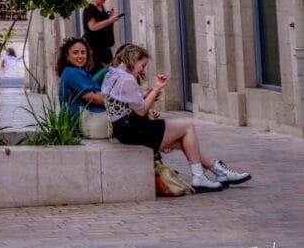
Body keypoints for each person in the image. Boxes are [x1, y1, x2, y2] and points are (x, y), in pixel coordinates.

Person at [101, 43, 250, 191]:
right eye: (143, 65)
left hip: (124, 129)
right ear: (133, 60)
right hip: (133, 129)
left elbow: (126, 105)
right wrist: (156, 89)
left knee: (182, 142)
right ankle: (200, 178)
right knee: (187, 126)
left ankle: (219, 172)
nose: (142, 70)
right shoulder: (127, 80)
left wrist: (148, 95)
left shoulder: (113, 75)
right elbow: (141, 111)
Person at [55, 37, 105, 119]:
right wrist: (115, 102)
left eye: (83, 52)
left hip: (89, 120)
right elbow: (93, 98)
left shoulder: (81, 71)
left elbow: (98, 93)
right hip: (80, 124)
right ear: (67, 56)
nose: (80, 56)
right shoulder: (72, 72)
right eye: (75, 53)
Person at [83, 0, 122, 70]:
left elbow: (101, 21)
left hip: (106, 49)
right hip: (96, 51)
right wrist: (110, 20)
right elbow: (93, 27)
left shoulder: (101, 7)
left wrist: (109, 15)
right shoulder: (89, 9)